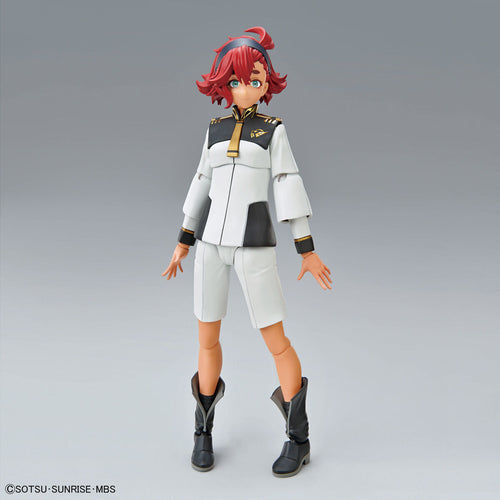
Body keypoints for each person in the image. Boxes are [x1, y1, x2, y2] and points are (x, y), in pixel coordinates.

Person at [162, 27, 331, 478]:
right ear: (223, 83)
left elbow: (288, 183)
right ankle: (202, 431)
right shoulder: (214, 130)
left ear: (266, 82)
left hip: (253, 244)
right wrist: (183, 239)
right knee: (206, 337)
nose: (245, 88)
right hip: (209, 245)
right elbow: (201, 181)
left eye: (255, 79)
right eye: (236, 80)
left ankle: (298, 437)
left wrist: (306, 249)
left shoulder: (272, 131)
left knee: (276, 339)